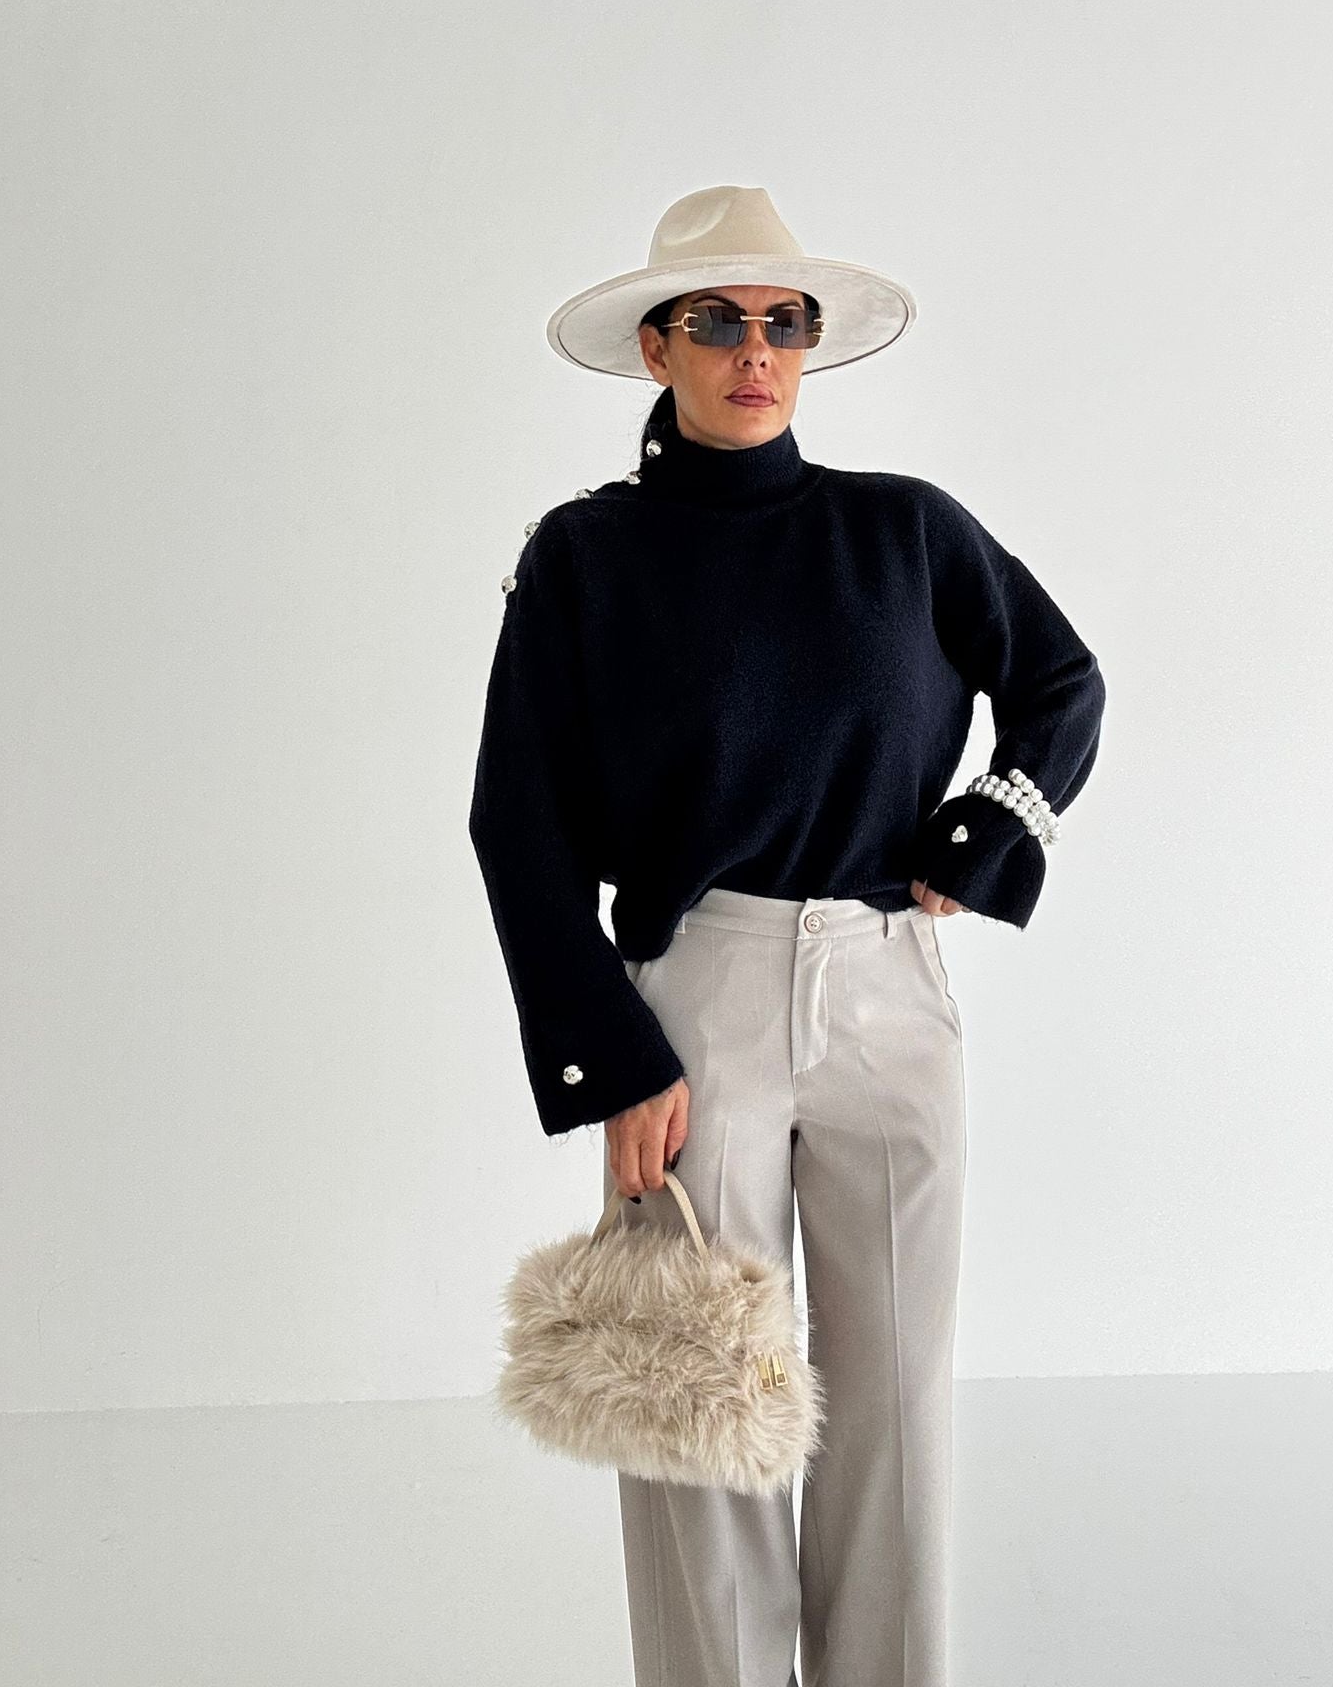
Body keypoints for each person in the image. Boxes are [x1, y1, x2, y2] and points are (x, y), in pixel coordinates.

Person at [468, 184, 1105, 1687]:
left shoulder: (905, 531)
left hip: (892, 990)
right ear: (656, 349)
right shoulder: (586, 557)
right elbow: (519, 820)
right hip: (699, 1004)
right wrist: (611, 1051)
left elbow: (1061, 682)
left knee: (899, 1405)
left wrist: (983, 834)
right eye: (716, 321)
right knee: (702, 1400)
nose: (755, 349)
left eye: (784, 321)